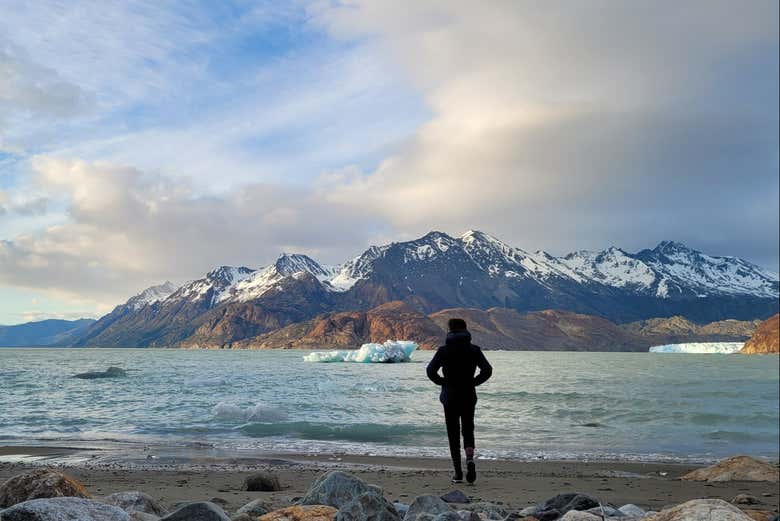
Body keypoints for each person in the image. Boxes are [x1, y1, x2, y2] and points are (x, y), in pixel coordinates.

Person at [426, 318, 493, 484]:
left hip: (450, 396)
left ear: (450, 330)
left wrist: (442, 382)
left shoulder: (443, 351)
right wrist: (474, 382)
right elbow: (487, 370)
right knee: (468, 429)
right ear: (465, 330)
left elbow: (430, 370)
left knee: (453, 433)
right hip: (468, 394)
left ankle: (458, 472)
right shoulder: (474, 350)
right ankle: (469, 459)